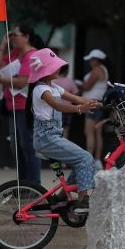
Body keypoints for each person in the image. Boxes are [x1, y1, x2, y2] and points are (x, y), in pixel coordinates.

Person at [26, 48, 102, 215]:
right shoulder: (40, 90)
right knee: (86, 158)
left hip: (52, 136)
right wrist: (80, 108)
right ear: (45, 72)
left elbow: (77, 98)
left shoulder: (54, 87)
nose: (58, 68)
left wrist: (99, 104)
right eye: (54, 66)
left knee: (80, 160)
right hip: (46, 138)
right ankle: (82, 201)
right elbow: (58, 105)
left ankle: (61, 197)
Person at [0, 23, 43, 183]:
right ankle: (24, 185)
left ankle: (33, 185)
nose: (12, 39)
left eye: (15, 35)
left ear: (26, 37)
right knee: (16, 148)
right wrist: (3, 44)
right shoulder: (16, 54)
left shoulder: (32, 55)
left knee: (28, 146)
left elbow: (22, 82)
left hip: (25, 107)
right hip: (12, 107)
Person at [78, 49, 109, 169]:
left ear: (96, 60)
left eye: (91, 60)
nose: (90, 62)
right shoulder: (104, 70)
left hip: (91, 103)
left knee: (89, 132)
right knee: (98, 133)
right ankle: (97, 160)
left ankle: (89, 160)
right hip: (99, 103)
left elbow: (87, 86)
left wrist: (78, 84)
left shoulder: (97, 70)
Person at [52, 64, 79, 139]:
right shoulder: (69, 81)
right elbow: (76, 94)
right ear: (67, 71)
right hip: (67, 109)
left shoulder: (53, 81)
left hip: (54, 109)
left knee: (54, 129)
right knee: (65, 130)